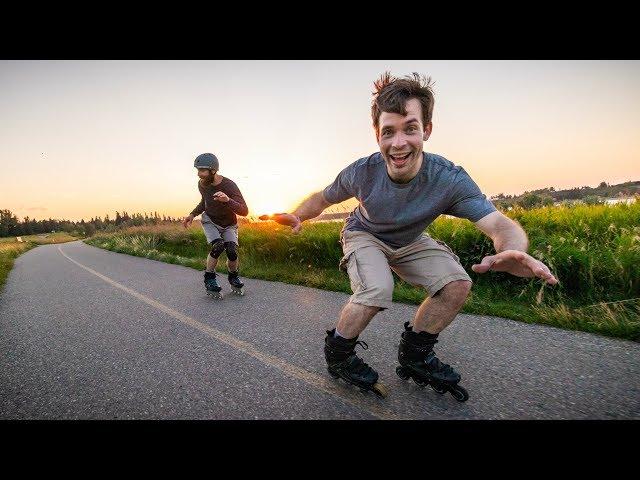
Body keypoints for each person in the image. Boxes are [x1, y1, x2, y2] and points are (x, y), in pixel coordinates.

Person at [267, 72, 558, 400]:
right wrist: (298, 215)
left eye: (410, 128)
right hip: (364, 234)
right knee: (377, 288)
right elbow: (323, 198)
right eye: (388, 132)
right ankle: (339, 356)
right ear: (377, 135)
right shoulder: (361, 172)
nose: (398, 143)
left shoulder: (448, 179)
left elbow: (499, 224)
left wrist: (511, 250)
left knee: (457, 284)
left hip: (408, 240)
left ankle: (416, 355)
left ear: (427, 130)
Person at [182, 153, 249, 298]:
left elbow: (244, 211)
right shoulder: (202, 184)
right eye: (198, 170)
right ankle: (209, 278)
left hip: (229, 224)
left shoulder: (229, 185)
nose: (199, 174)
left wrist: (227, 200)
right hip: (210, 221)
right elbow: (204, 203)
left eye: (202, 171)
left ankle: (233, 276)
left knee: (231, 250)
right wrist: (192, 215)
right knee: (218, 246)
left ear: (213, 170)